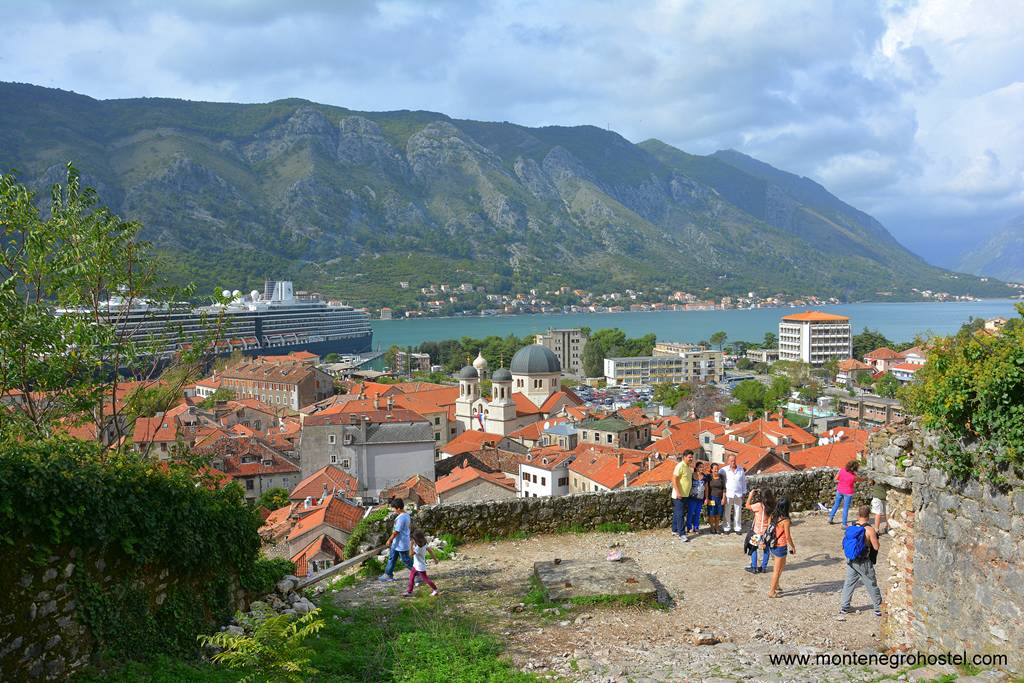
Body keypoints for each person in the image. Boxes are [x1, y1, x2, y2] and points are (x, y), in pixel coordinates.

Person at [838, 505, 883, 619]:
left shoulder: (852, 527)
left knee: (849, 583)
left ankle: (844, 607)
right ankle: (878, 608)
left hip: (851, 560)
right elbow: (876, 547)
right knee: (871, 584)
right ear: (868, 516)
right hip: (863, 562)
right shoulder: (869, 530)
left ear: (858, 515)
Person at [379, 498, 414, 582]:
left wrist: (389, 540)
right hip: (397, 543)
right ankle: (388, 574)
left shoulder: (401, 518)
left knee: (405, 560)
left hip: (401, 543)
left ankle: (418, 573)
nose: (393, 510)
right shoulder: (406, 515)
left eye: (394, 508)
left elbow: (396, 532)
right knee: (392, 558)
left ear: (398, 508)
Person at [767, 498, 796, 598]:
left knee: (781, 566)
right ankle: (772, 591)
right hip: (781, 546)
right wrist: (793, 546)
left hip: (773, 545)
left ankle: (776, 585)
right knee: (777, 570)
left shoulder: (772, 516)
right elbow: (788, 536)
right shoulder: (785, 520)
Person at [745, 488, 776, 574]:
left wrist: (750, 495)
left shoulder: (759, 505)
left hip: (757, 531)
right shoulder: (771, 506)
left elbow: (747, 505)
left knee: (753, 548)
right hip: (767, 532)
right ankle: (763, 567)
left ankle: (754, 567)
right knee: (766, 549)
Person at [402, 529, 440, 597]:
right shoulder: (424, 544)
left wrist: (411, 545)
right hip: (416, 566)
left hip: (420, 567)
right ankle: (409, 592)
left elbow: (410, 554)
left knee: (426, 579)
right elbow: (430, 551)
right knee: (411, 577)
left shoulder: (418, 548)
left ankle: (435, 589)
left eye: (413, 539)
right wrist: (435, 559)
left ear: (416, 540)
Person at [719, 454, 748, 533]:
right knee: (727, 512)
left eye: (734, 460)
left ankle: (737, 528)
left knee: (738, 512)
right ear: (728, 461)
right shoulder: (723, 470)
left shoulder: (740, 469)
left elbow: (743, 482)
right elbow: (718, 480)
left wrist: (744, 492)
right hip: (728, 494)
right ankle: (726, 527)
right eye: (731, 461)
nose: (733, 462)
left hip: (738, 494)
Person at [828, 460, 860, 527]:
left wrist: (842, 481)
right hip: (848, 492)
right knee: (845, 508)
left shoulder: (842, 470)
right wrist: (866, 479)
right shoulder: (853, 476)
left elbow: (835, 479)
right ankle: (844, 524)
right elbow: (860, 480)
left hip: (839, 490)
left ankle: (830, 518)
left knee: (836, 504)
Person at [670, 452, 694, 542]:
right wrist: (678, 492)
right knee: (680, 514)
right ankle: (682, 534)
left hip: (685, 494)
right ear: (684, 457)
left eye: (692, 457)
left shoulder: (688, 467)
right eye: (689, 457)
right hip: (678, 495)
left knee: (677, 513)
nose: (691, 459)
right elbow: (674, 479)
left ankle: (675, 529)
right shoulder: (680, 466)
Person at [686, 461, 709, 535]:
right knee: (690, 513)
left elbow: (706, 488)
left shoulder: (704, 477)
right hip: (691, 498)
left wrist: (706, 498)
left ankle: (696, 527)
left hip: (700, 498)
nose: (702, 468)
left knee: (697, 513)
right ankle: (689, 527)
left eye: (702, 467)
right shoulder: (692, 476)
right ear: (696, 468)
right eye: (700, 467)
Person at [707, 463, 725, 534]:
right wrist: (707, 498)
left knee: (718, 514)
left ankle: (717, 527)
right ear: (711, 470)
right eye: (715, 469)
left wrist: (723, 498)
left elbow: (724, 488)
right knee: (711, 513)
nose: (716, 470)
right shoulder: (709, 477)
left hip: (720, 498)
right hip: (711, 498)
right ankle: (712, 527)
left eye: (717, 468)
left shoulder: (721, 477)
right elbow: (706, 487)